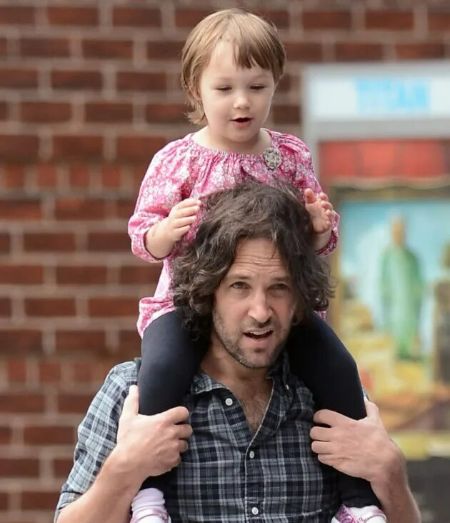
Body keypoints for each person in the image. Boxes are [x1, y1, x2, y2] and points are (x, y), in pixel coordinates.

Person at [127, 8, 380, 521]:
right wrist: (164, 233)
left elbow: (317, 241)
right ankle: (148, 494)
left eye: (256, 86)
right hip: (186, 303)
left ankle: (357, 499)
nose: (242, 102)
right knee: (162, 371)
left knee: (337, 368)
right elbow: (141, 234)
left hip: (278, 304)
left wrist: (319, 228)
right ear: (195, 90)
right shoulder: (179, 160)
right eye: (224, 89)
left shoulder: (289, 155)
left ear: (274, 86)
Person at [55, 183, 419, 522]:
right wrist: (126, 468)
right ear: (208, 290)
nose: (260, 312)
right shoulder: (134, 393)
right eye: (240, 286)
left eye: (279, 288)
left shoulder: (332, 397)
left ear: (299, 298)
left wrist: (391, 474)